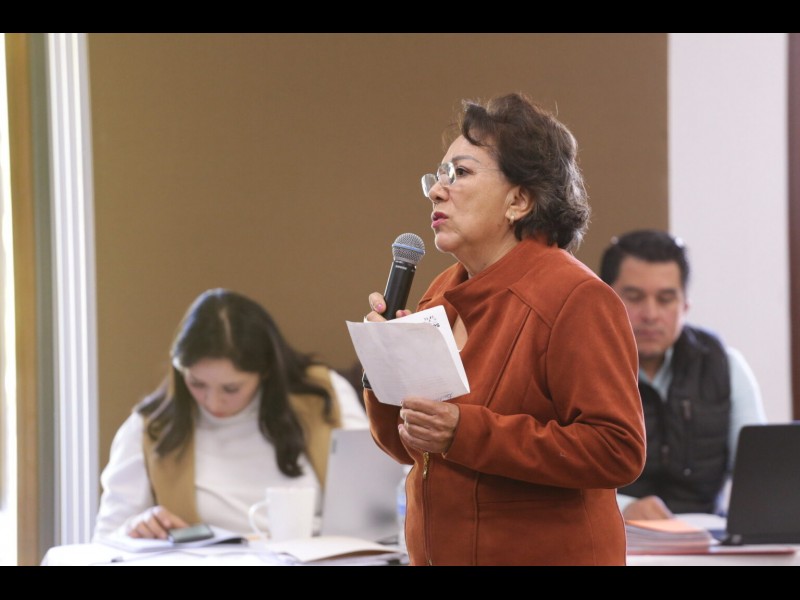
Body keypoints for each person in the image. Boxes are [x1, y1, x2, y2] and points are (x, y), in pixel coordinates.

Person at [363, 92, 646, 566]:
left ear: (519, 200)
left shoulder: (576, 297)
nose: (436, 191)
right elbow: (408, 449)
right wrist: (384, 363)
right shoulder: (441, 292)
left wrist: (465, 431)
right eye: (438, 176)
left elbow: (617, 450)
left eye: (460, 173)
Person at [93, 288, 367, 541]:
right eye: (197, 383)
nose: (213, 402)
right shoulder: (150, 428)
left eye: (231, 388)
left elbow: (372, 498)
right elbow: (104, 540)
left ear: (265, 371)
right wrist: (133, 528)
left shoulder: (323, 394)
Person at [599, 229, 767, 520]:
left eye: (665, 299)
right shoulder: (577, 366)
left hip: (705, 537)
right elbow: (558, 476)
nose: (651, 314)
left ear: (685, 305)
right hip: (613, 534)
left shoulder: (725, 366)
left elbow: (758, 473)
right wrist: (624, 508)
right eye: (634, 297)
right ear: (604, 300)